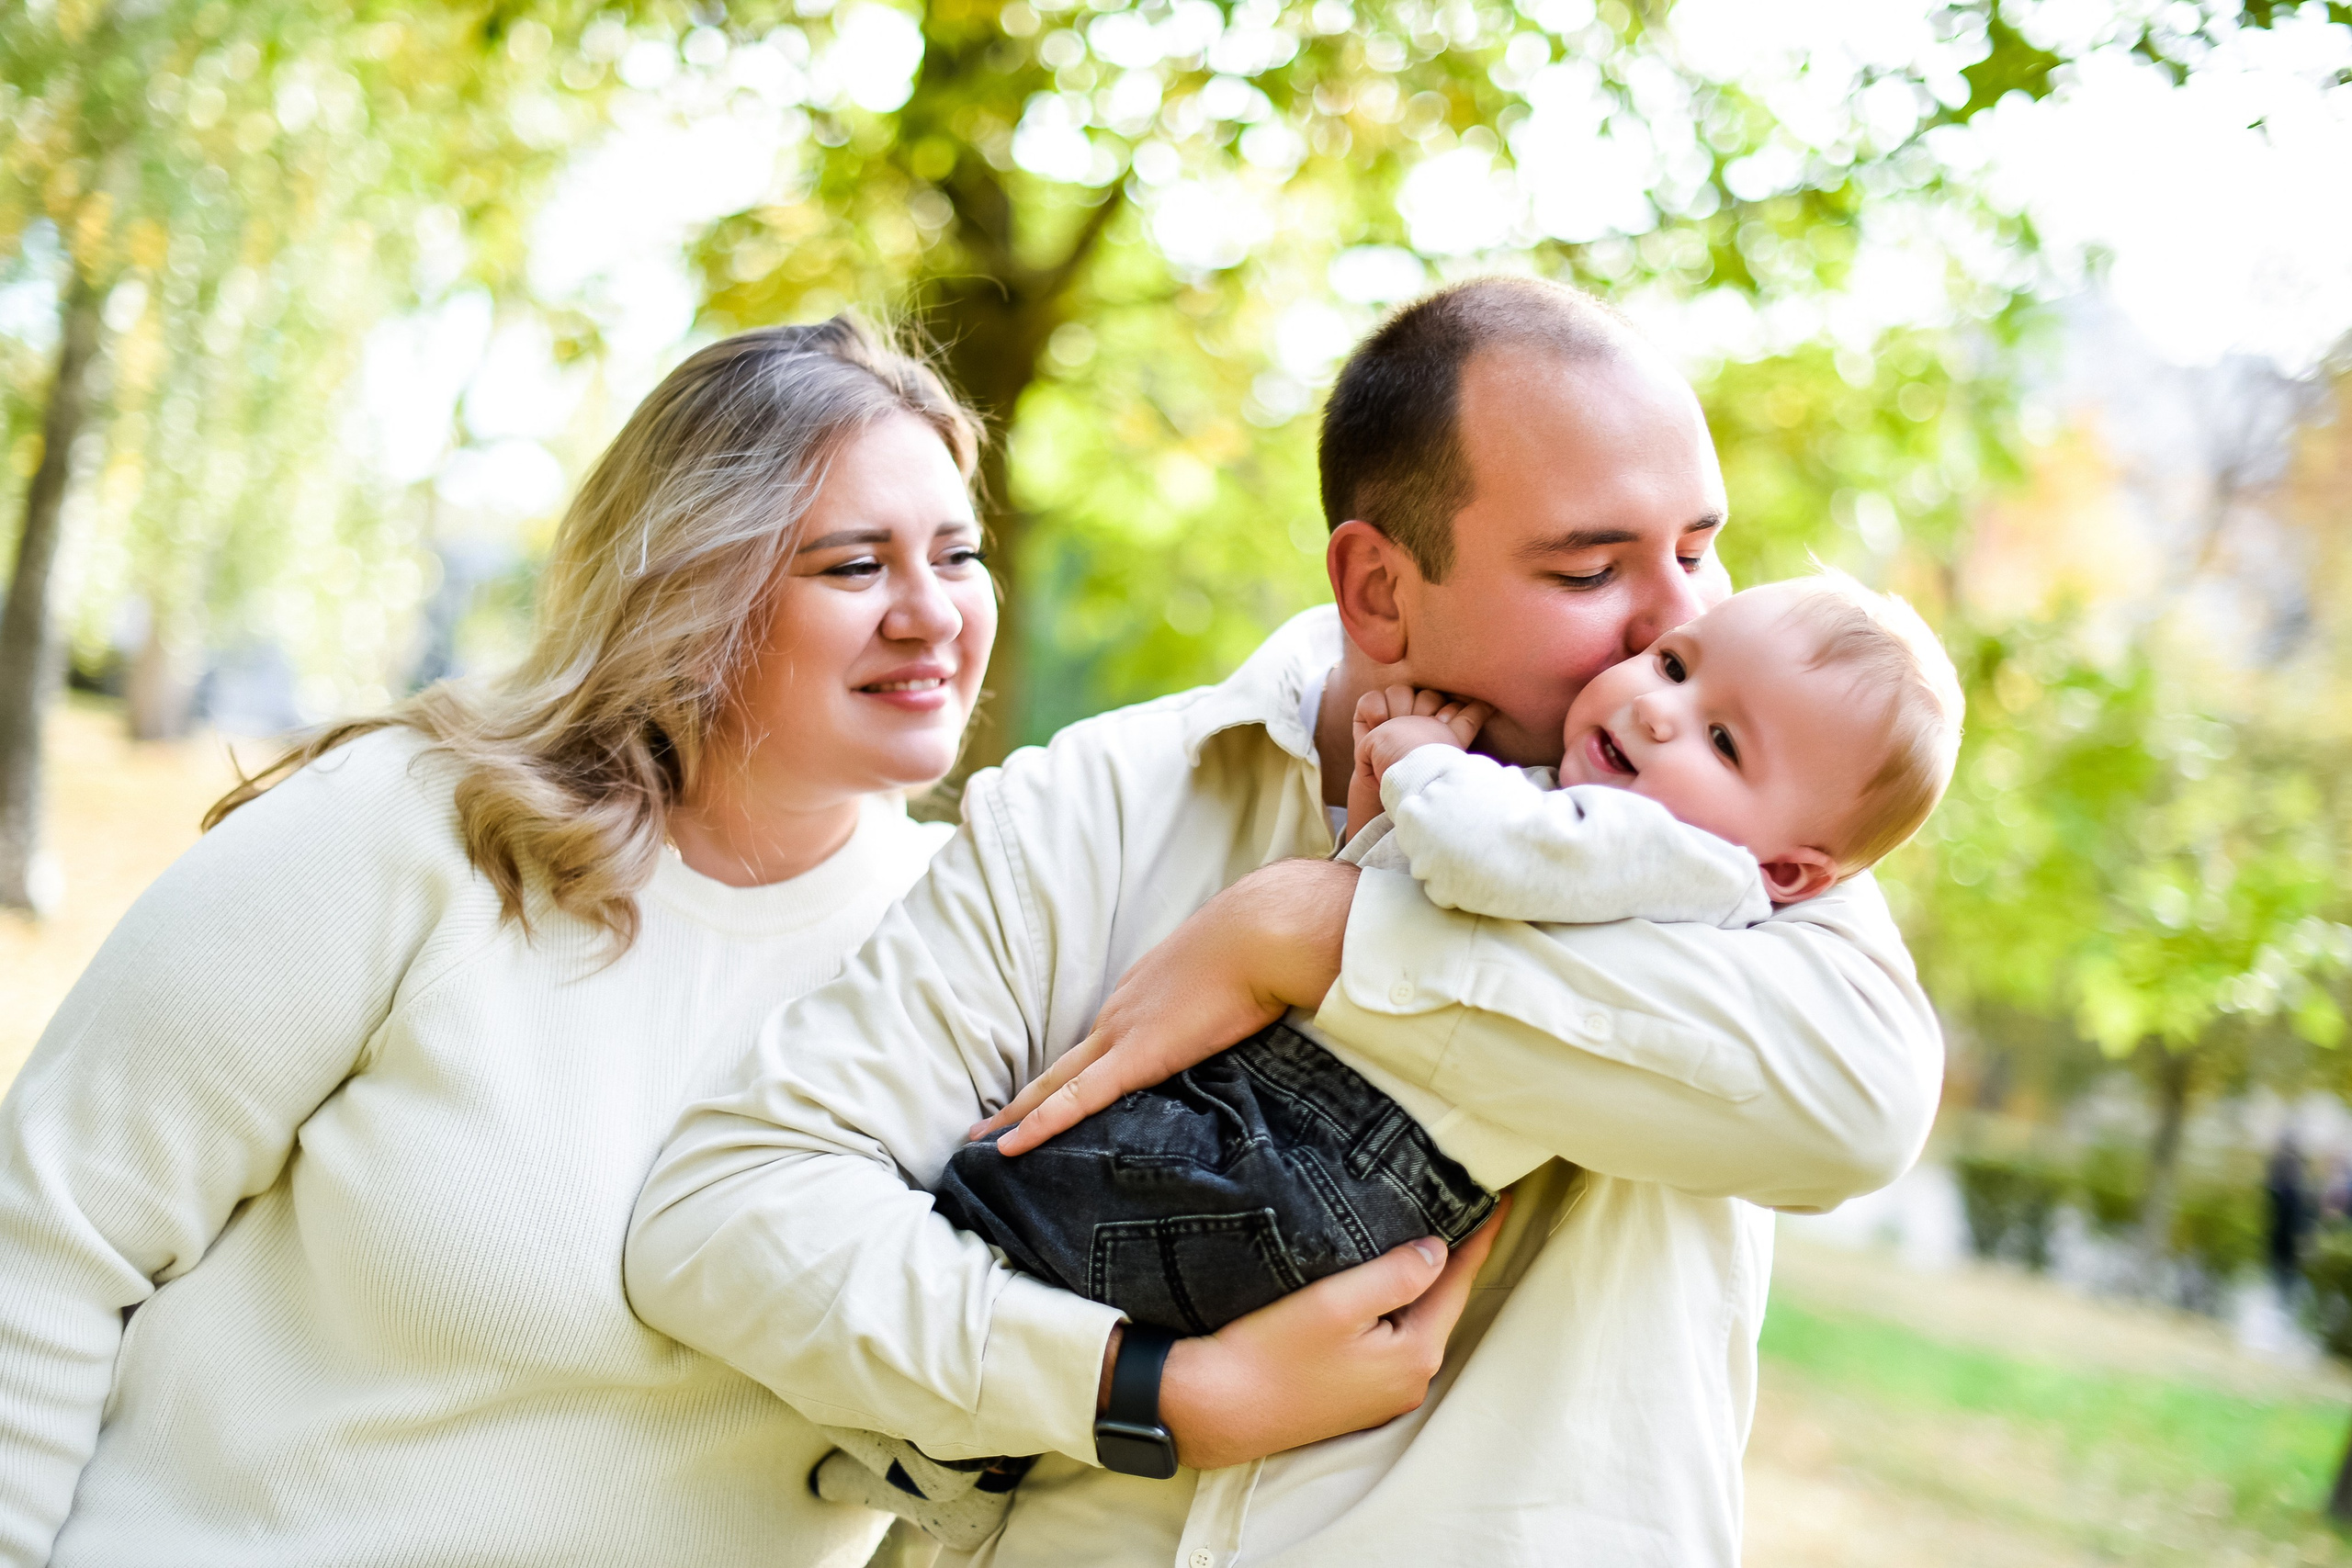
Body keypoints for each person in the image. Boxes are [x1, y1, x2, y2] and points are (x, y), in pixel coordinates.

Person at [626, 277, 1947, 1566]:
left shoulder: (1740, 835)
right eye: (1593, 566)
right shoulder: (1096, 803)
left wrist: (1324, 934)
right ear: (1377, 588)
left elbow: (1861, 1106)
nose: (1677, 619)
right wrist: (1148, 1387)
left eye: (1699, 548)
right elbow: (733, 1211)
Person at [0, 318, 1011, 1566]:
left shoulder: (982, 942)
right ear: (694, 588)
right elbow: (44, 1240)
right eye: (854, 565)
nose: (931, 612)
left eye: (957, 553)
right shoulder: (417, 825)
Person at [827, 571, 1964, 1546]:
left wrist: (1423, 762)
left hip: (1350, 1167)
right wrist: (1381, 810)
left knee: (1027, 1201)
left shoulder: (1674, 861)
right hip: (1333, 1140)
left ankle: (943, 1449)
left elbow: (1488, 861)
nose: (1662, 712)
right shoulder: (1622, 815)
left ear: (1794, 874)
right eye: (1673, 666)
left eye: (1723, 741)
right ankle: (960, 1460)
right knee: (1097, 1249)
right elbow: (1436, 889)